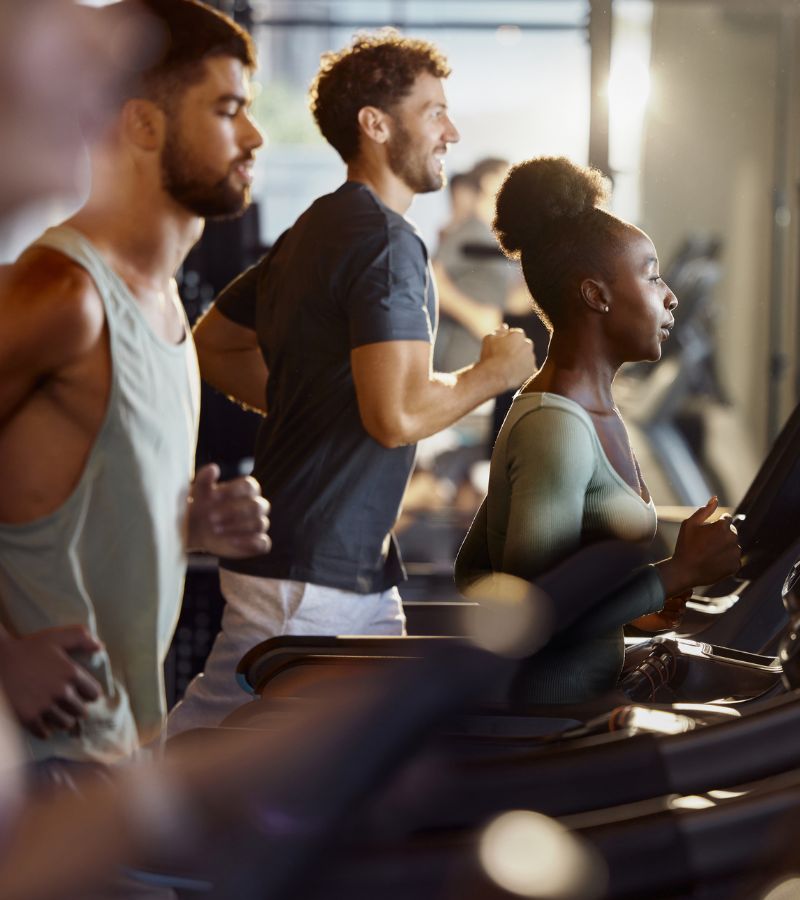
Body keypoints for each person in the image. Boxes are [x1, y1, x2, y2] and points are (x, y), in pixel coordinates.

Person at [168, 30, 536, 734]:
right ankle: (94, 828)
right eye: (434, 111)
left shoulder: (319, 226)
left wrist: (314, 400)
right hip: (313, 570)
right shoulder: (388, 244)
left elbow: (213, 341)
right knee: (211, 751)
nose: (451, 131)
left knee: (375, 757)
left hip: (345, 563)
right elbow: (396, 416)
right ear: (375, 123)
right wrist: (492, 374)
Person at [0, 0, 269, 767]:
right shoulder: (61, 294)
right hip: (48, 759)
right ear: (145, 125)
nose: (254, 135)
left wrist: (182, 528)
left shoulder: (165, 309)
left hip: (115, 750)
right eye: (227, 109)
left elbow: (46, 506)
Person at [454, 156, 741, 705]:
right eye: (652, 274)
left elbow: (474, 570)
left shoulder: (586, 412)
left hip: (592, 702)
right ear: (597, 295)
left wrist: (634, 606)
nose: (670, 295)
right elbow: (532, 617)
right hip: (556, 728)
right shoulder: (554, 427)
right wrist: (675, 573)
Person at [433, 157, 513, 373]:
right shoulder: (470, 230)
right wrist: (477, 317)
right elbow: (430, 277)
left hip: (484, 364)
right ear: (488, 182)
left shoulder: (493, 237)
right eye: (508, 176)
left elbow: (503, 297)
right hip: (458, 363)